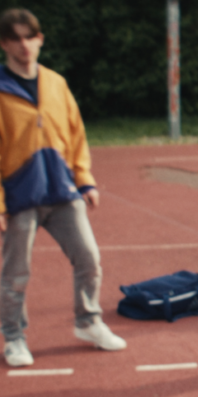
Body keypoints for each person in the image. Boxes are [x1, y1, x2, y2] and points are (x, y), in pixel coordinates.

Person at [0, 8, 126, 368]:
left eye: (30, 37)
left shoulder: (55, 83)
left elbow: (76, 134)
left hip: (62, 190)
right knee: (15, 274)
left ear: (40, 39)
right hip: (19, 196)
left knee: (88, 258)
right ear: (4, 44)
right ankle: (14, 337)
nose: (24, 45)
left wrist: (84, 179)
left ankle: (88, 322)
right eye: (16, 38)